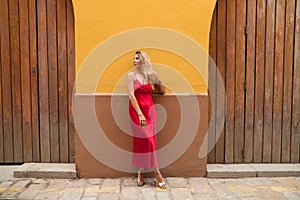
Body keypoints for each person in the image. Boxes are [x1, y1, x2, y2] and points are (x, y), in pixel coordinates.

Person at [127, 51, 167, 189]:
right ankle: (157, 172)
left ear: (143, 60)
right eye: (134, 58)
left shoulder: (150, 75)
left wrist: (156, 78)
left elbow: (162, 91)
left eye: (137, 58)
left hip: (150, 111)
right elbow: (131, 96)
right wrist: (140, 114)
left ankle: (140, 172)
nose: (134, 60)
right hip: (137, 111)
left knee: (150, 141)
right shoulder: (131, 76)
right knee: (145, 139)